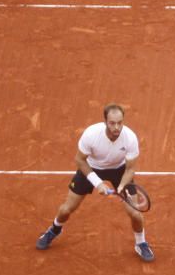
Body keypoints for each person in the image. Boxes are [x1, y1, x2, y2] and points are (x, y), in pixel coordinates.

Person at [35, 104, 154, 262]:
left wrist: (121, 186)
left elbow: (130, 169)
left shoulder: (130, 137)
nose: (117, 127)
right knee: (66, 209)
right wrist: (98, 183)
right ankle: (54, 230)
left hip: (119, 170)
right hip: (91, 168)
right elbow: (79, 160)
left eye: (120, 122)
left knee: (136, 214)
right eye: (112, 123)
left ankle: (141, 243)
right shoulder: (91, 134)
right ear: (105, 121)